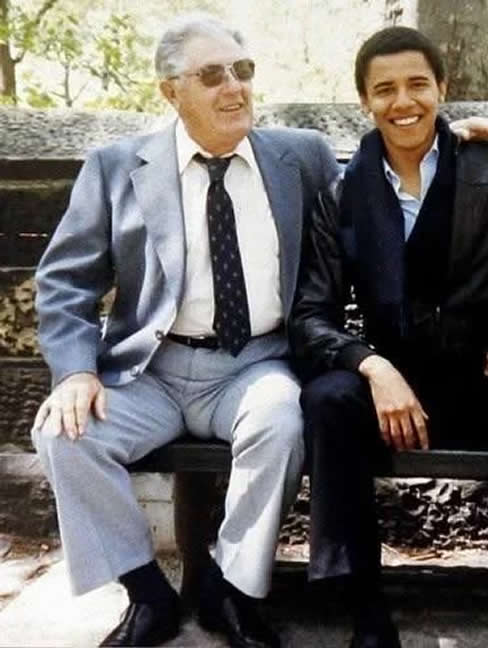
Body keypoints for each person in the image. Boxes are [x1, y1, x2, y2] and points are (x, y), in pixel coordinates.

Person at [30, 13, 340, 648]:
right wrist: (77, 371)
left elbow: (380, 187)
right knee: (63, 432)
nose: (235, 88)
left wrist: (451, 142)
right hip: (154, 369)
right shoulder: (118, 166)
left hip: (257, 364)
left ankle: (234, 592)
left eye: (243, 71)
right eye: (212, 76)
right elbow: (65, 280)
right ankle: (146, 594)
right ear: (170, 91)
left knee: (281, 422)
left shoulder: (299, 157)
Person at [290, 26, 488, 648]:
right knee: (326, 399)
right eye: (384, 90)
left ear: (442, 88)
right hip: (395, 387)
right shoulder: (340, 193)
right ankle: (366, 611)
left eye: (416, 85)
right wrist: (371, 366)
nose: (402, 102)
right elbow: (310, 315)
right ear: (364, 102)